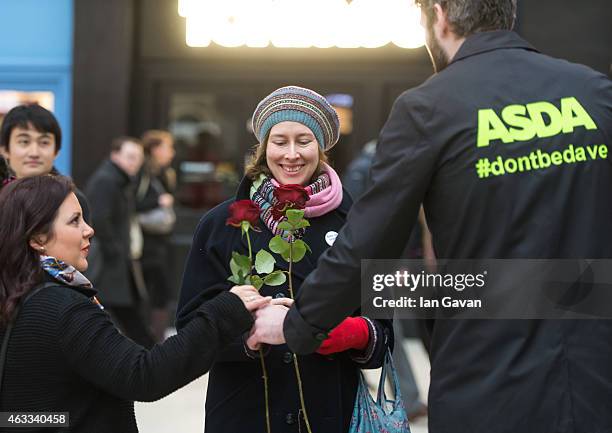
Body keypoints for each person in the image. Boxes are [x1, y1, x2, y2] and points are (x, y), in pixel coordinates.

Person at [248, 2, 612, 433]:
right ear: (507, 14)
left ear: (439, 15)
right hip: (595, 367)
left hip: (490, 371)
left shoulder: (430, 107)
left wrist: (297, 323)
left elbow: (369, 239)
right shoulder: (593, 91)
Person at [176, 86, 393, 433]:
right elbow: (190, 326)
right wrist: (250, 334)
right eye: (280, 141)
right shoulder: (221, 225)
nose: (291, 154)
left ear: (320, 148)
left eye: (303, 140)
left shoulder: (356, 224)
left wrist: (337, 332)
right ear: (264, 147)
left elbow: (382, 336)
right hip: (243, 415)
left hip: (328, 412)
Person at [0, 174, 270, 433]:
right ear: (37, 239)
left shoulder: (18, 292)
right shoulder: (61, 306)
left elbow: (19, 415)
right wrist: (224, 310)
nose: (89, 229)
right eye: (74, 221)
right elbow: (145, 375)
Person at [85, 137, 155, 347]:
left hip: (116, 262)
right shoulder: (107, 181)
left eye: (139, 158)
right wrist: (115, 250)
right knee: (123, 314)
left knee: (126, 314)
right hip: (109, 264)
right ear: (115, 155)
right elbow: (99, 219)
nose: (135, 162)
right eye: (131, 157)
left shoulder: (119, 180)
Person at [0, 103, 90, 221]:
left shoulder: (72, 199)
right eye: (24, 141)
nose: (34, 153)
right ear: (5, 149)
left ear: (56, 151)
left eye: (44, 142)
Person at [135, 130, 177, 342]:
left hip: (159, 242)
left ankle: (155, 339)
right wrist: (159, 202)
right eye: (167, 147)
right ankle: (150, 340)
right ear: (154, 149)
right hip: (145, 244)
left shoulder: (163, 173)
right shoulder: (142, 173)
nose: (171, 153)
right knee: (153, 292)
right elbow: (133, 205)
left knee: (160, 292)